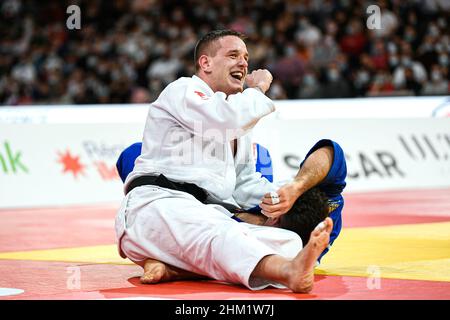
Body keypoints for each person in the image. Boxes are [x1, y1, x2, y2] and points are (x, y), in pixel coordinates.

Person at [115, 29, 334, 293]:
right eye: (233, 55)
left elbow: (242, 182)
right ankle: (287, 271)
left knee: (286, 240)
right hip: (156, 205)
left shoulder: (236, 121)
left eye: (246, 57)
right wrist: (259, 89)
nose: (243, 63)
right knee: (220, 235)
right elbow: (223, 120)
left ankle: (175, 268)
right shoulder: (184, 90)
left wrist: (281, 196)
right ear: (205, 63)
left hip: (203, 212)